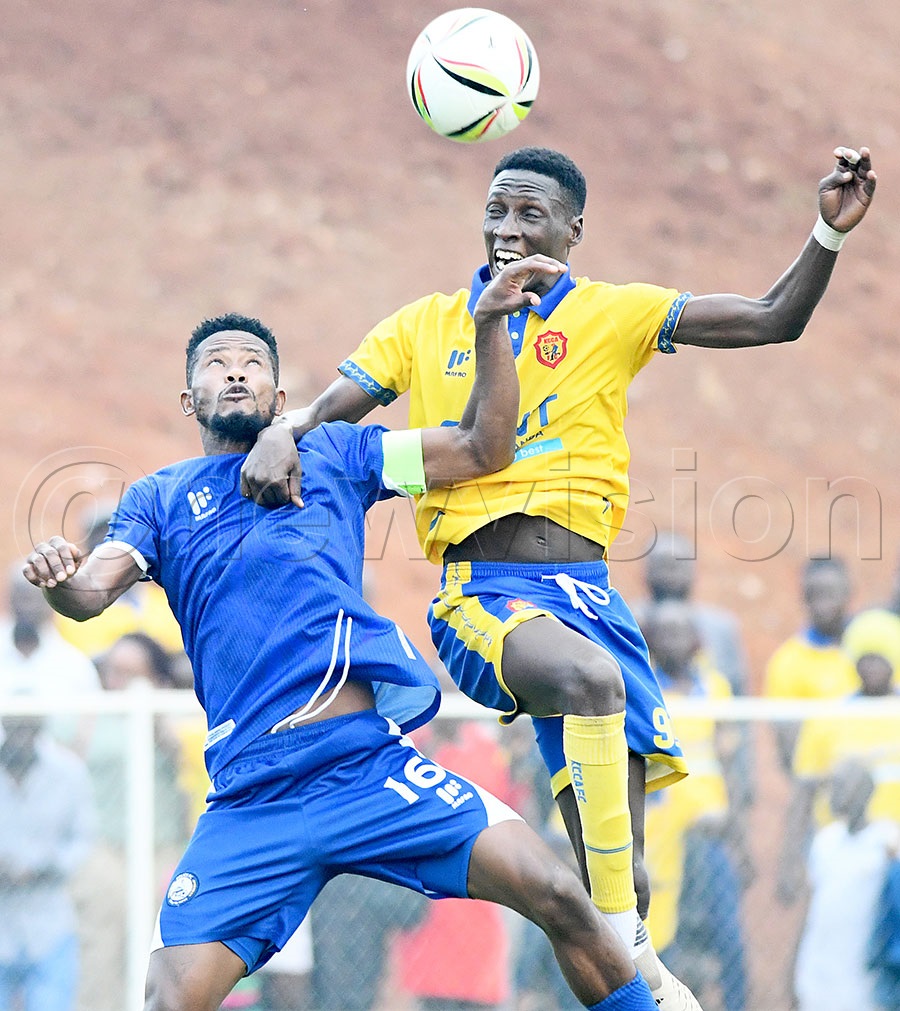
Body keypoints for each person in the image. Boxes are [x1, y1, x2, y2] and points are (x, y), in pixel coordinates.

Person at [239, 142, 877, 1006]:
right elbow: (332, 410)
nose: (508, 228)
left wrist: (827, 234)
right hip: (486, 596)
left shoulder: (615, 315)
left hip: (593, 602)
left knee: (625, 879)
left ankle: (633, 968)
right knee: (587, 686)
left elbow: (772, 317)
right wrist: (291, 425)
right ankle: (635, 950)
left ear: (575, 228)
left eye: (531, 212)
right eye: (497, 209)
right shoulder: (425, 323)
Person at [23, 287, 661, 1011]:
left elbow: (486, 447)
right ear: (187, 398)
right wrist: (58, 581)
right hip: (250, 794)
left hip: (365, 766)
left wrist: (488, 328)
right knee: (170, 996)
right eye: (216, 363)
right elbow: (90, 592)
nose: (235, 372)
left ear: (281, 392)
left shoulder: (339, 452)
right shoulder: (160, 498)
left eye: (253, 362)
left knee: (558, 895)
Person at [640, 601, 747, 1011]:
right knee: (670, 935)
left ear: (696, 639)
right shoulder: (644, 686)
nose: (674, 640)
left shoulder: (715, 686)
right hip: (662, 835)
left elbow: (729, 760)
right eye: (664, 632)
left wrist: (738, 831)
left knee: (727, 936)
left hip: (710, 831)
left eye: (682, 631)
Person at [776, 607, 900, 905]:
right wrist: (791, 859)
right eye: (864, 658)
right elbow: (805, 792)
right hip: (843, 851)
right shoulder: (830, 716)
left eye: (879, 659)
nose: (871, 668)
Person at [0, 710, 95, 1011]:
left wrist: (43, 867)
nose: (21, 736)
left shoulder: (67, 772)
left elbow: (83, 837)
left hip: (49, 918)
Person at [793, 759, 899, 1011]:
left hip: (861, 981)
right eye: (833, 785)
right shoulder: (826, 842)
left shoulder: (887, 841)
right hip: (817, 975)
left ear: (866, 791)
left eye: (843, 784)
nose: (835, 792)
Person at [763, 556, 858, 772]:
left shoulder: (873, 649)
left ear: (848, 594)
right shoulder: (787, 661)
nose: (823, 604)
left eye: (831, 594)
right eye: (815, 595)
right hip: (819, 781)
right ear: (804, 598)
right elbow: (786, 739)